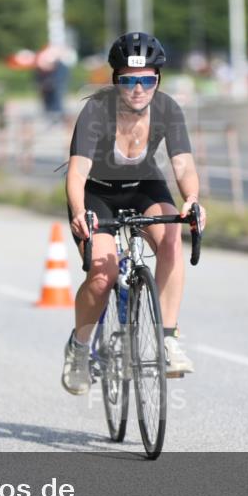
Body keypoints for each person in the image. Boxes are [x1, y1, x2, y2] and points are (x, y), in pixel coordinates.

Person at [61, 32, 207, 396]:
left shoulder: (168, 109)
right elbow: (77, 173)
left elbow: (183, 164)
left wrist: (191, 198)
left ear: (158, 79)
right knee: (102, 274)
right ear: (115, 81)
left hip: (144, 186)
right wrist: (80, 213)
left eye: (147, 80)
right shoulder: (96, 111)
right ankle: (79, 349)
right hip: (97, 193)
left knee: (172, 237)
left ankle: (168, 339)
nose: (138, 88)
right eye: (129, 80)